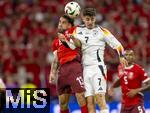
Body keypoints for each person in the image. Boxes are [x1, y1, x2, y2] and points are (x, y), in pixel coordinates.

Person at [58, 8, 128, 113]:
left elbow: (117, 44)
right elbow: (73, 47)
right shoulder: (78, 30)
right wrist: (65, 41)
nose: (90, 22)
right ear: (83, 19)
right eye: (87, 19)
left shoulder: (102, 31)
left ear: (95, 19)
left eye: (92, 19)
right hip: (85, 69)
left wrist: (122, 55)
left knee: (100, 98)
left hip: (98, 68)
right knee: (89, 102)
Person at [49, 15, 88, 113]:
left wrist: (68, 38)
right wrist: (52, 73)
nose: (60, 24)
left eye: (63, 22)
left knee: (81, 96)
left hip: (74, 66)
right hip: (62, 71)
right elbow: (56, 59)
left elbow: (78, 44)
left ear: (69, 25)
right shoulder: (55, 42)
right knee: (62, 103)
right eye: (59, 22)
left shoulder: (75, 32)